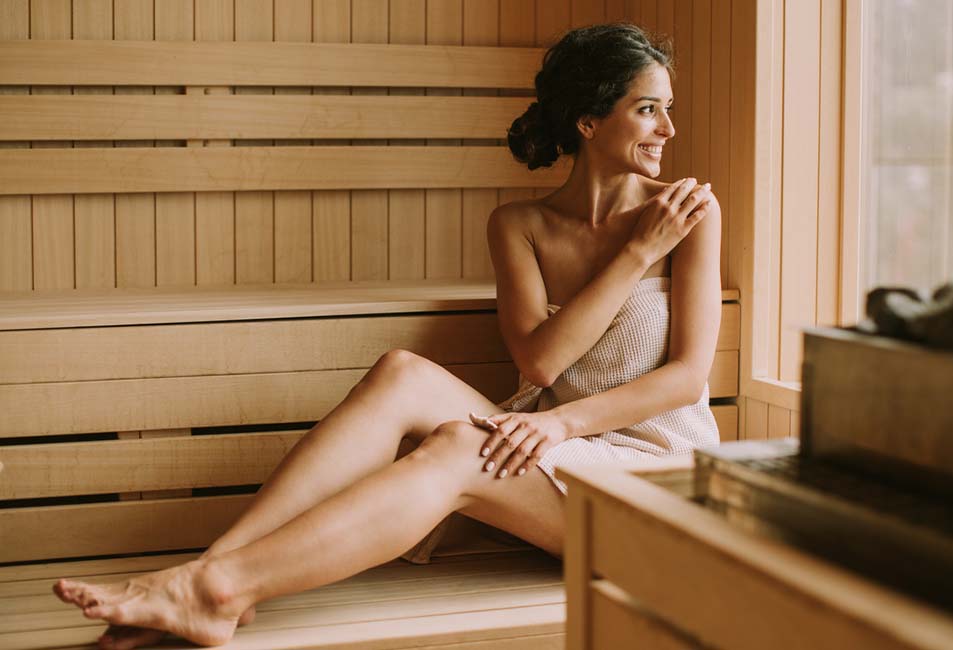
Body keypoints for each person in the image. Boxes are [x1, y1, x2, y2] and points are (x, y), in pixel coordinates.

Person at [52, 23, 721, 649]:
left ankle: (217, 588)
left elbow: (688, 376)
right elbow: (540, 362)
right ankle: (214, 572)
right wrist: (635, 256)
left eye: (666, 108)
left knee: (462, 445)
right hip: (553, 452)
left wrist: (563, 425)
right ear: (588, 120)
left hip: (653, 483)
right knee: (403, 372)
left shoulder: (688, 212)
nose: (669, 127)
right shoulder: (519, 224)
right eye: (648, 109)